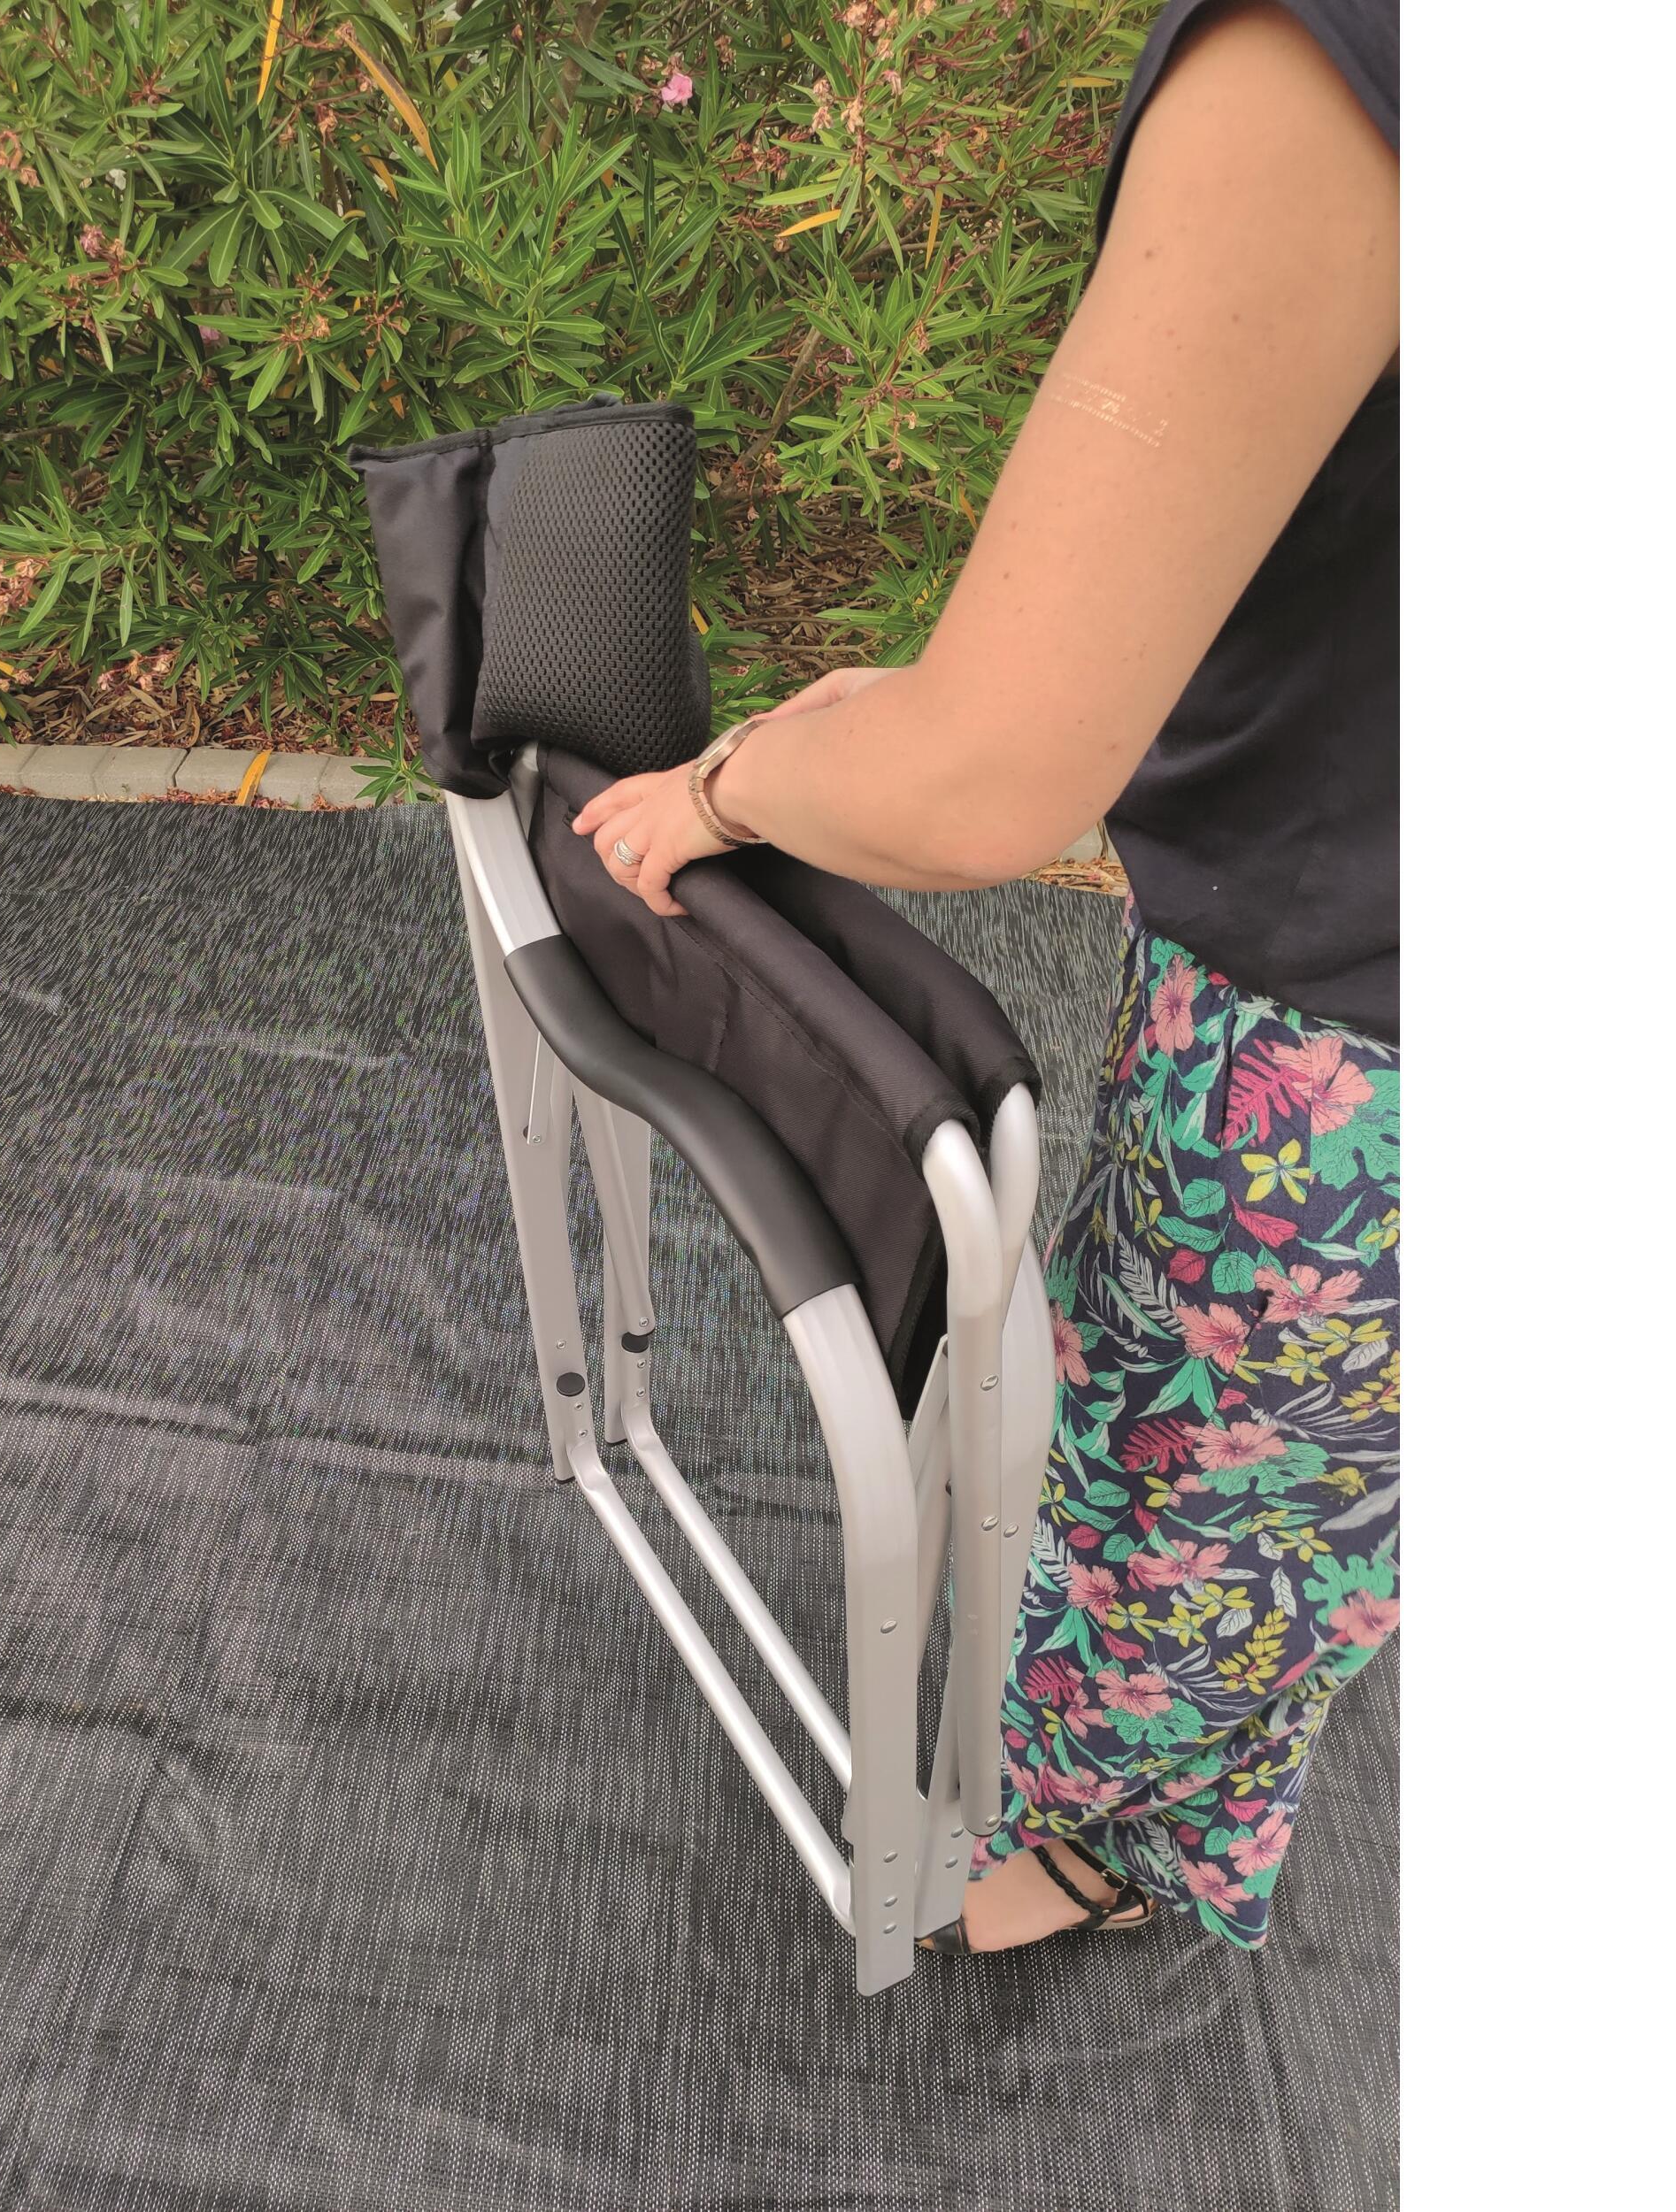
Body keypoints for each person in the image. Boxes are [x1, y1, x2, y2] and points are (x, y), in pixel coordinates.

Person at [570, 0, 1398, 1955]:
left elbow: (982, 780)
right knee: (1309, 1506)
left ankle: (1090, 1835)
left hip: (1363, 1041)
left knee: (1190, 1528)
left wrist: (720, 788)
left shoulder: (1336, 67)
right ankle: (1157, 1827)